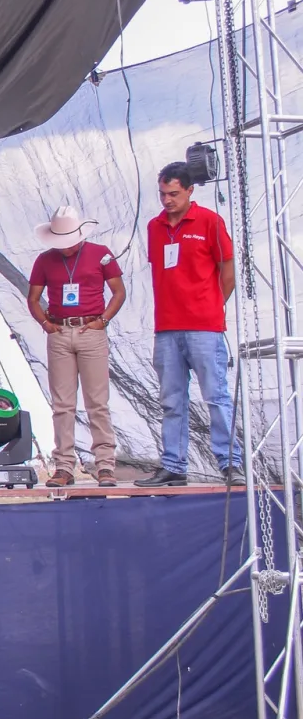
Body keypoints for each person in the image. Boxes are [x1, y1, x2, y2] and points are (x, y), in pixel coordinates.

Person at [137, 162, 242, 487]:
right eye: (163, 194)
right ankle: (173, 465)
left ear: (189, 190)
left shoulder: (209, 221)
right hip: (167, 327)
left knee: (216, 396)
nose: (167, 200)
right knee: (171, 400)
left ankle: (231, 464)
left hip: (204, 327)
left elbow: (228, 269)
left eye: (173, 194)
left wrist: (211, 305)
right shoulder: (155, 226)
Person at [27, 206, 125, 488]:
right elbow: (33, 297)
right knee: (62, 405)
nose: (65, 247)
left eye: (69, 240)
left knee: (97, 402)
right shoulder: (45, 260)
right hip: (59, 331)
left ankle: (105, 465)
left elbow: (119, 291)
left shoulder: (101, 253)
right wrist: (46, 324)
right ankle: (64, 466)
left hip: (90, 329)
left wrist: (103, 320)